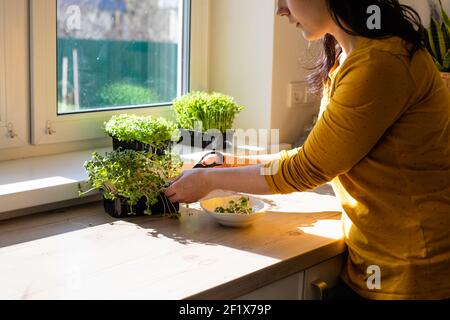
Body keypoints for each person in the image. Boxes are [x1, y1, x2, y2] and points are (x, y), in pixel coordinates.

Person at [165, 0, 450, 300]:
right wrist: (225, 161)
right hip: (375, 264)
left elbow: (307, 168)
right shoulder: (350, 57)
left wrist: (212, 180)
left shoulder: (380, 63)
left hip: (413, 273)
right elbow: (312, 155)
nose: (280, 11)